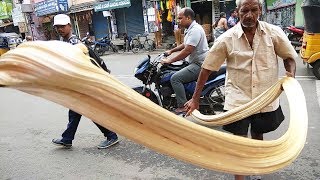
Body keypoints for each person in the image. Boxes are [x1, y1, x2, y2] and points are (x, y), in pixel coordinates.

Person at [184, 0, 296, 179]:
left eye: (253, 10)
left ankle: (256, 172)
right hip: (239, 99)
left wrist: (291, 75)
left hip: (265, 97)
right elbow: (206, 68)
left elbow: (289, 57)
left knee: (258, 137)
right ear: (237, 12)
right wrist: (195, 99)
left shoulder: (273, 33)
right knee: (239, 143)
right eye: (245, 11)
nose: (249, 15)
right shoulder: (226, 39)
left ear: (260, 10)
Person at [51, 14, 119, 149]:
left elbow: (83, 66)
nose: (60, 29)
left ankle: (111, 136)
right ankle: (67, 138)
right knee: (75, 111)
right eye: (58, 27)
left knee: (91, 111)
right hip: (79, 84)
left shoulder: (74, 43)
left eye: (62, 26)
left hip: (86, 84)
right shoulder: (66, 42)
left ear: (69, 26)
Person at [161, 7, 209, 115]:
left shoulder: (195, 30)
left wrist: (170, 60)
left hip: (199, 64)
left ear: (188, 18)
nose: (178, 21)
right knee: (174, 71)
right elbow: (185, 44)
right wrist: (171, 51)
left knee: (175, 78)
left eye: (180, 18)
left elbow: (188, 50)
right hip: (194, 62)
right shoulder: (190, 29)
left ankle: (182, 106)